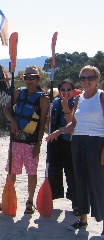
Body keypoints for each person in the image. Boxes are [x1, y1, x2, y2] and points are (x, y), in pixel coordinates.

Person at [46, 65, 104, 238]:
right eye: (83, 78)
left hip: (96, 142)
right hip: (77, 142)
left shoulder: (101, 96)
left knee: (98, 183)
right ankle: (83, 219)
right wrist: (58, 132)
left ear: (97, 79)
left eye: (90, 78)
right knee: (81, 181)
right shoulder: (79, 99)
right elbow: (73, 124)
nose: (86, 81)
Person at [0, 66, 49, 214]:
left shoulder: (43, 98)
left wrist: (38, 143)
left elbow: (43, 121)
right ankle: (7, 197)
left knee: (31, 173)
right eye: (27, 78)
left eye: (33, 77)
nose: (29, 80)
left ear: (38, 79)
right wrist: (13, 121)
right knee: (11, 171)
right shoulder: (19, 92)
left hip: (32, 142)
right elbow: (6, 110)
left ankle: (30, 201)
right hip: (16, 141)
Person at [47, 79, 78, 215]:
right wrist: (47, 121)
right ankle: (51, 199)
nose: (66, 92)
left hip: (69, 142)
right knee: (53, 171)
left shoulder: (77, 103)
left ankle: (76, 204)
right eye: (63, 90)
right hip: (55, 143)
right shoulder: (55, 104)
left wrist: (66, 107)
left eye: (68, 89)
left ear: (73, 91)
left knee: (71, 173)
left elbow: (72, 124)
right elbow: (49, 127)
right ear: (59, 92)